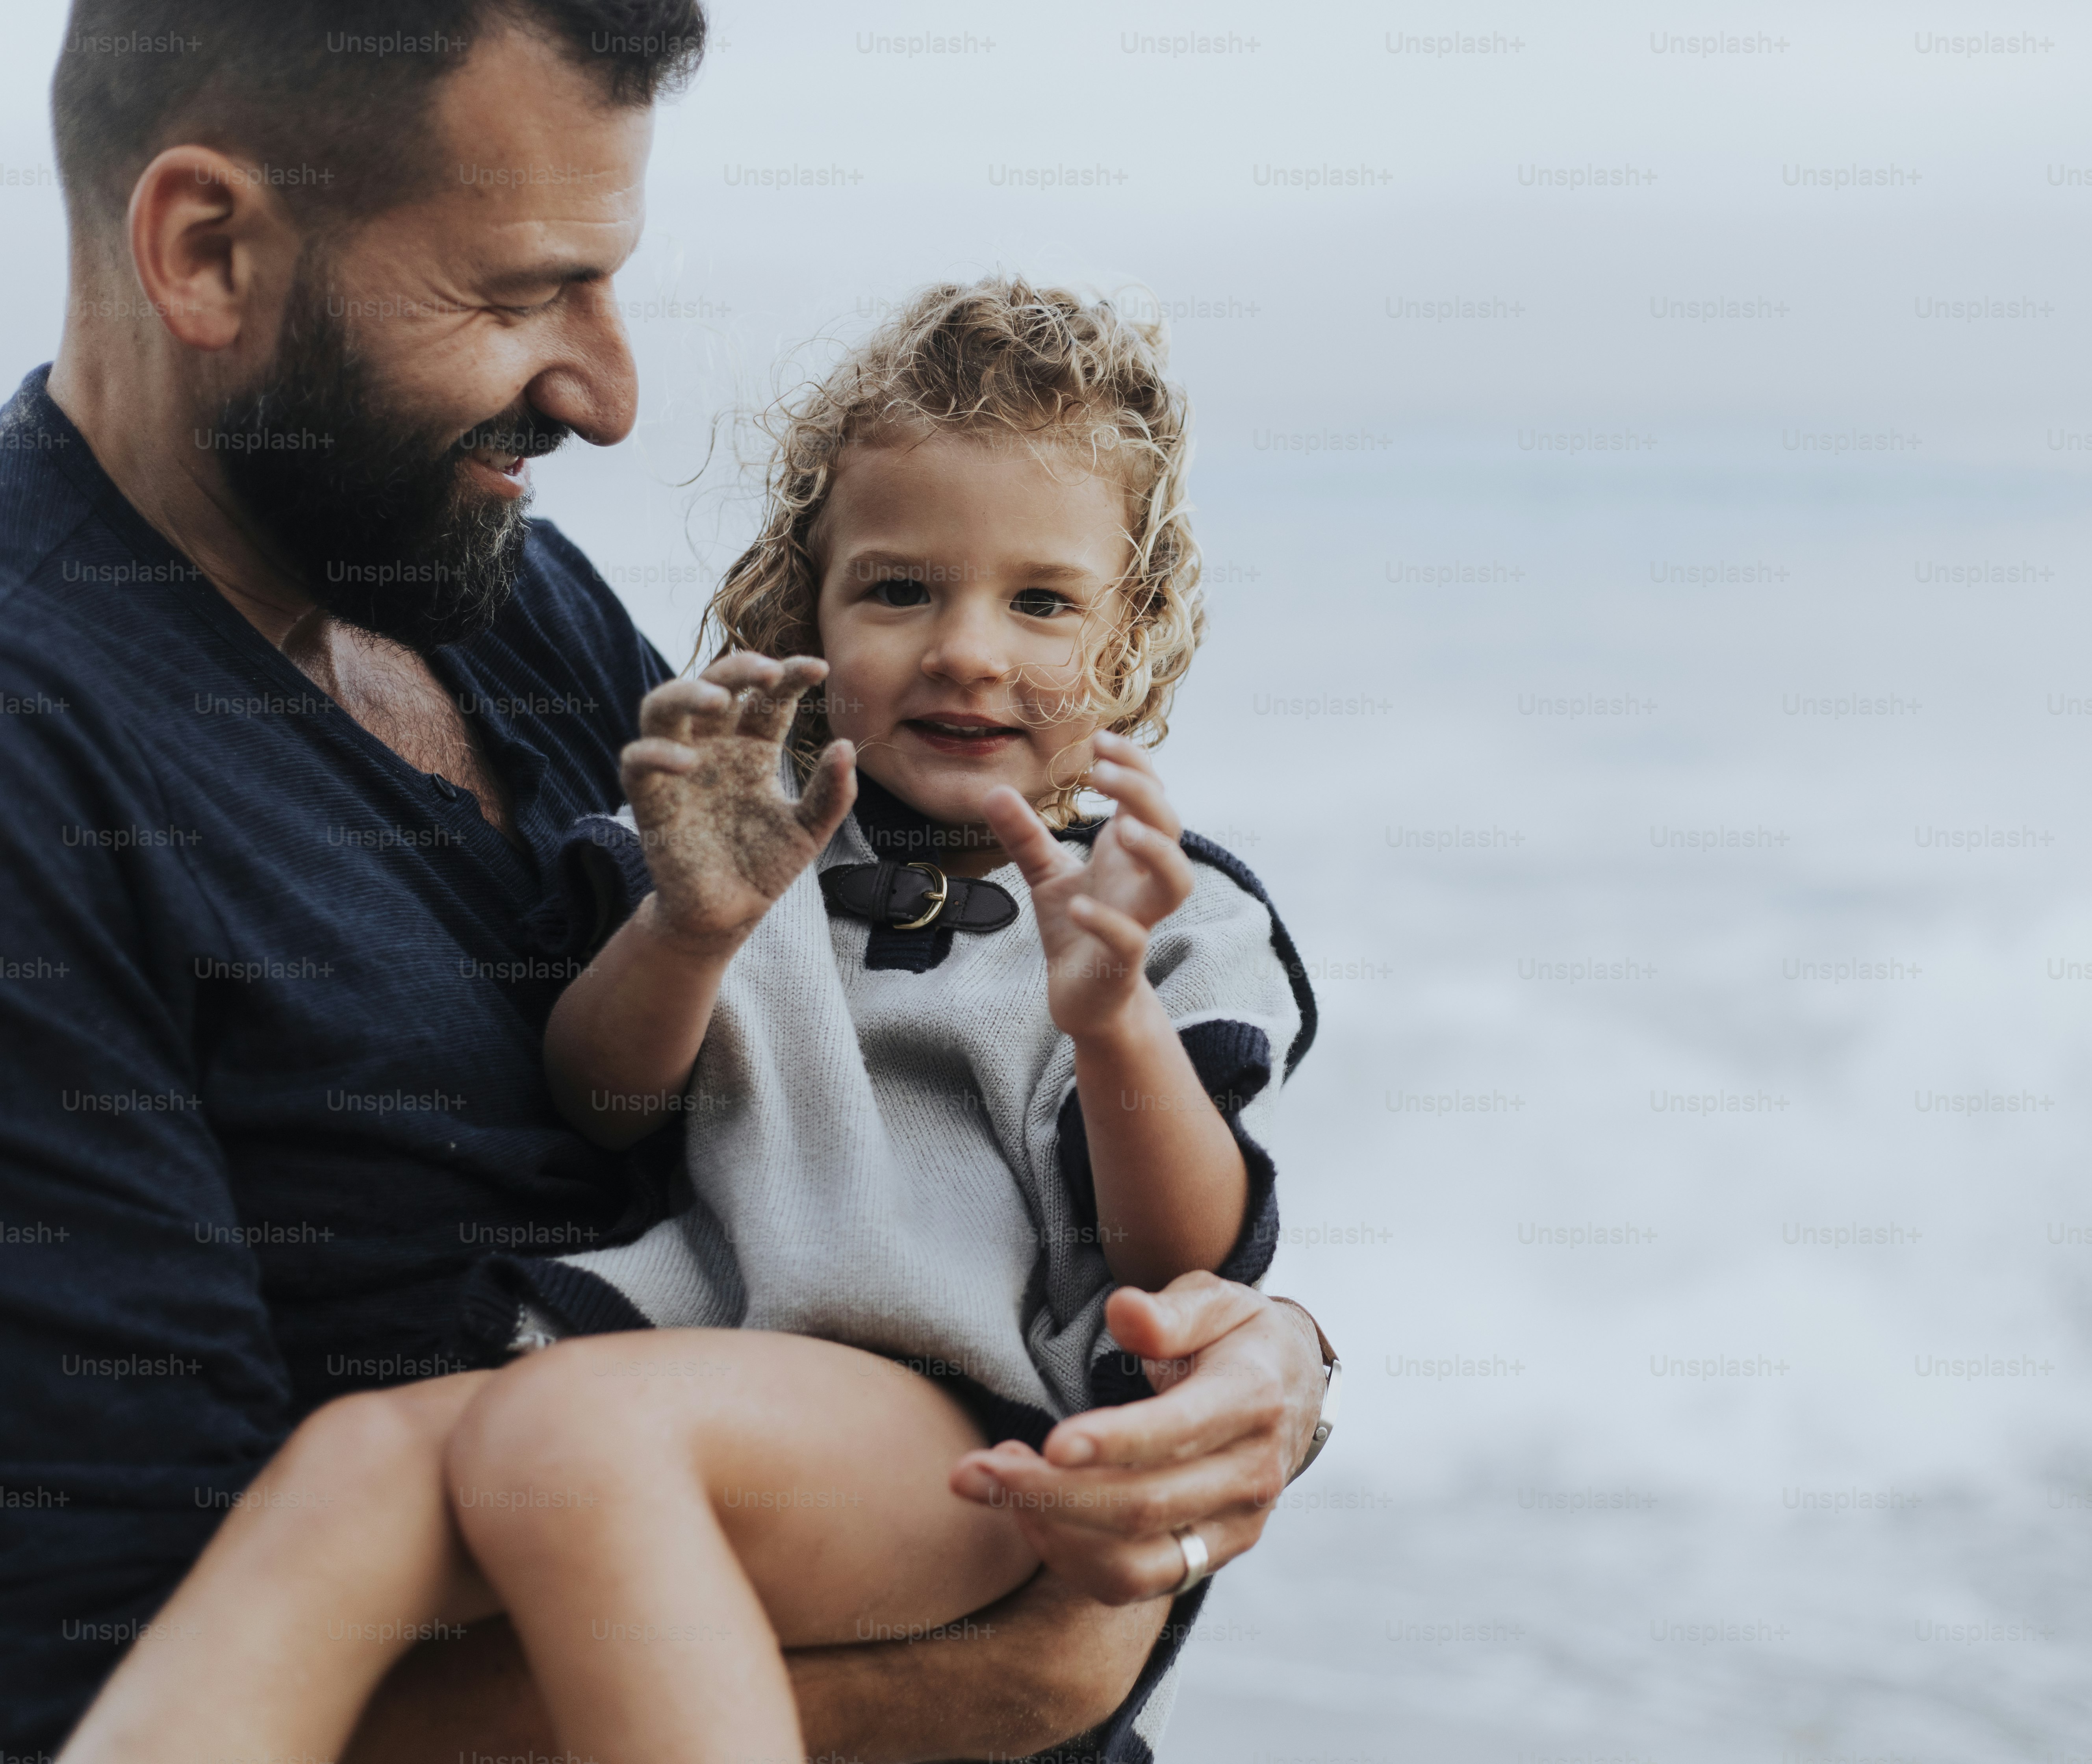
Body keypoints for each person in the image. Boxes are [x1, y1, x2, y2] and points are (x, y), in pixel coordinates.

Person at [1, 6, 1336, 1759]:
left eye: (611, 284)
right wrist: (1010, 1681)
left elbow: (1014, 1169)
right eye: (514, 294)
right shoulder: (43, 760)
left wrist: (1266, 1367)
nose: (611, 397)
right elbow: (78, 1672)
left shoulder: (502, 599)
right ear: (206, 248)